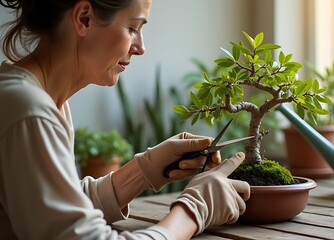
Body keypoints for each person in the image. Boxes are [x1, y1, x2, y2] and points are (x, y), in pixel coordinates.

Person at [0, 0, 251, 239]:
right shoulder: (29, 111)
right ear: (84, 18)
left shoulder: (45, 101)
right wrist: (193, 211)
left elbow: (57, 209)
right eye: (133, 28)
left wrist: (142, 171)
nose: (141, 48)